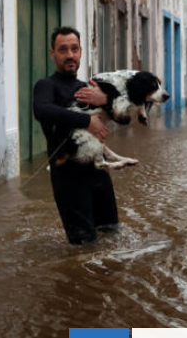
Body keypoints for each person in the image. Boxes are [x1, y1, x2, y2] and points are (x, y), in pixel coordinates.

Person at [32, 26, 117, 245]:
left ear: (80, 51)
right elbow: (42, 110)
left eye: (74, 49)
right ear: (53, 54)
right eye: (63, 50)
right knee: (83, 245)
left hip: (99, 174)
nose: (69, 55)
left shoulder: (89, 88)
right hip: (68, 178)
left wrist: (104, 100)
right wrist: (87, 120)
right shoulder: (46, 86)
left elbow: (123, 117)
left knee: (111, 236)